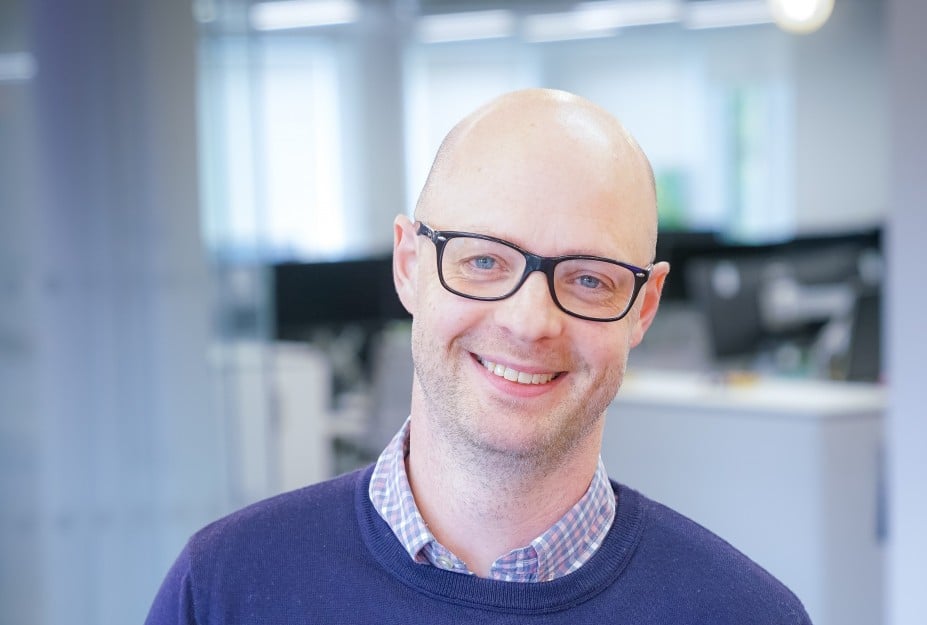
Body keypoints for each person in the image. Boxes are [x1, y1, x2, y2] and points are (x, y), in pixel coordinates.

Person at [145, 88, 811, 624]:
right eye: (485, 260)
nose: (529, 321)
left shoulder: (747, 613)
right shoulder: (227, 589)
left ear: (643, 305)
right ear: (409, 265)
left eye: (588, 278)